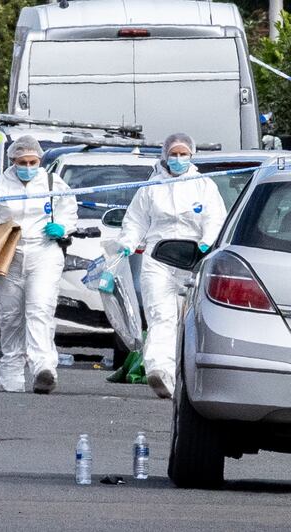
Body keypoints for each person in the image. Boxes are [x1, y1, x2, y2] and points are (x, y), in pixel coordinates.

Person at [116, 132, 226, 399]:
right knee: (160, 316)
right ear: (165, 156)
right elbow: (135, 221)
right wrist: (128, 242)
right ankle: (158, 371)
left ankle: (181, 376)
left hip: (193, 260)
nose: (178, 159)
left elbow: (216, 217)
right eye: (173, 155)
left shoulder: (204, 185)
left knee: (187, 321)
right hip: (158, 259)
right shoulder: (151, 188)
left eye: (183, 154)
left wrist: (207, 242)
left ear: (191, 154)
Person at [0, 135, 78, 393]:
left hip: (44, 253)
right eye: (22, 161)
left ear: (40, 160)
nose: (28, 166)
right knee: (11, 316)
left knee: (40, 309)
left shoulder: (53, 183)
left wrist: (62, 228)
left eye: (33, 161)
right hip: (8, 256)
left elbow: (69, 211)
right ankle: (12, 374)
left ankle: (43, 368)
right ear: (12, 161)